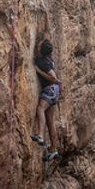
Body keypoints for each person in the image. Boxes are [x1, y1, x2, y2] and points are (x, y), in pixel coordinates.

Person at [30, 10, 62, 162]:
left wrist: (38, 71)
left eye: (39, 46)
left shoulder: (42, 61)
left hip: (50, 89)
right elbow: (48, 32)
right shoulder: (48, 53)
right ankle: (53, 149)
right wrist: (46, 14)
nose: (38, 46)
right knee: (51, 121)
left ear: (41, 51)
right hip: (55, 91)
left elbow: (53, 77)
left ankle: (41, 136)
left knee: (40, 109)